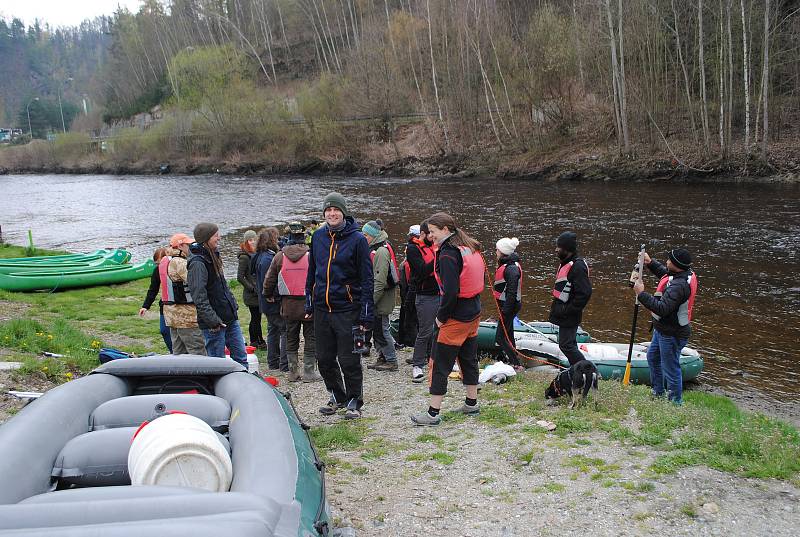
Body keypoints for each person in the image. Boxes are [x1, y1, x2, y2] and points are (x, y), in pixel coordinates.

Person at [412, 212, 485, 426]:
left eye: (433, 232)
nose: (430, 236)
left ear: (445, 230)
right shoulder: (466, 245)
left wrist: (440, 319)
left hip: (456, 316)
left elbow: (451, 292)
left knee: (439, 363)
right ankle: (472, 403)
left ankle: (433, 413)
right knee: (468, 357)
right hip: (474, 311)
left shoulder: (447, 254)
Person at [306, 192, 374, 420]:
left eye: (336, 210)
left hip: (348, 309)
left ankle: (354, 399)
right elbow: (312, 272)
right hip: (322, 309)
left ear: (343, 212)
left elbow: (367, 279)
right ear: (324, 213)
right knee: (324, 358)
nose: (332, 214)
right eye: (328, 210)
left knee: (349, 359)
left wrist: (366, 313)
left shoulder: (357, 240)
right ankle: (337, 394)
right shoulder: (317, 237)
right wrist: (309, 299)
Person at [633, 248, 697, 405]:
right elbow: (665, 274)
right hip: (662, 329)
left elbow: (662, 308)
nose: (666, 262)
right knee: (653, 357)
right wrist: (650, 262)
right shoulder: (681, 274)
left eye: (669, 260)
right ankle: (658, 391)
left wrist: (641, 294)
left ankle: (675, 402)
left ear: (676, 265)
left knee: (670, 367)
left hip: (672, 334)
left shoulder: (679, 286)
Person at [263, 222, 321, 382]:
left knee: (291, 337)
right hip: (309, 304)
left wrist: (268, 294)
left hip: (288, 305)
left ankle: (293, 372)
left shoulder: (279, 256)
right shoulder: (312, 255)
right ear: (303, 239)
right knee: (311, 337)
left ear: (288, 239)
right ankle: (309, 372)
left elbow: (269, 280)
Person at [187, 223, 247, 367]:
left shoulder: (212, 254)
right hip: (214, 323)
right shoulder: (198, 262)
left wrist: (232, 303)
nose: (219, 238)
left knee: (241, 358)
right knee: (217, 364)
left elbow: (222, 285)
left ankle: (243, 386)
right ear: (206, 238)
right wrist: (212, 320)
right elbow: (198, 295)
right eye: (215, 235)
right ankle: (217, 389)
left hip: (229, 316)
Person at [549, 231, 592, 366]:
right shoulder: (567, 263)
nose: (556, 249)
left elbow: (585, 293)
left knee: (566, 345)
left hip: (569, 314)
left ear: (566, 249)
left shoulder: (577, 267)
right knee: (569, 344)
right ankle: (577, 370)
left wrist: (568, 310)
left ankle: (586, 370)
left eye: (559, 247)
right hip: (565, 313)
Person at [363, 220, 399, 372]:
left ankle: (391, 360)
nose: (363, 237)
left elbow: (379, 280)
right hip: (381, 297)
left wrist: (370, 302)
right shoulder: (380, 248)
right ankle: (382, 357)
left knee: (382, 329)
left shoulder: (381, 252)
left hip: (382, 299)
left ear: (373, 235)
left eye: (365, 235)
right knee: (378, 329)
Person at [406, 221, 439, 383]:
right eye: (430, 234)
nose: (433, 237)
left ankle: (437, 360)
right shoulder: (412, 249)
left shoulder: (437, 246)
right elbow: (421, 271)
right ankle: (417, 364)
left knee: (441, 329)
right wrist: (438, 257)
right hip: (425, 295)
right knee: (425, 330)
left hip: (441, 293)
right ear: (423, 234)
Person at [163, 233, 206, 355]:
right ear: (181, 246)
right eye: (188, 245)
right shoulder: (180, 263)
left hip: (172, 316)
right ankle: (199, 374)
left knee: (179, 352)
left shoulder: (166, 260)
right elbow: (195, 282)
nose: (191, 247)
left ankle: (179, 374)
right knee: (198, 351)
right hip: (186, 317)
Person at [253, 227, 288, 370]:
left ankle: (273, 361)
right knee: (284, 329)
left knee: (273, 330)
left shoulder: (259, 255)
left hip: (265, 301)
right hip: (271, 301)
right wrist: (274, 295)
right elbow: (270, 280)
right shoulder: (268, 258)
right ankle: (284, 363)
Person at [493, 237, 523, 368]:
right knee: (509, 334)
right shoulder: (508, 264)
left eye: (497, 250)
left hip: (509, 307)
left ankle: (515, 363)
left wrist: (505, 310)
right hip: (508, 306)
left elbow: (511, 292)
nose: (495, 252)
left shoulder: (511, 269)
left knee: (500, 337)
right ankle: (514, 357)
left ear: (502, 251)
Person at [139, 246, 172, 353]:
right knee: (164, 330)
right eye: (157, 264)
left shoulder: (175, 268)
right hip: (164, 304)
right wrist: (145, 306)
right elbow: (153, 290)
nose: (159, 266)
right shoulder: (157, 271)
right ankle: (173, 352)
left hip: (178, 304)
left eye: (161, 263)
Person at [237, 229, 265, 349]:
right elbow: (240, 277)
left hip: (258, 291)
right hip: (251, 294)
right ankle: (255, 341)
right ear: (246, 242)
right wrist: (252, 288)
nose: (253, 242)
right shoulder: (244, 257)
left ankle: (259, 340)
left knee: (257, 317)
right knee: (255, 317)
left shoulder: (257, 254)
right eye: (250, 240)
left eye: (254, 239)